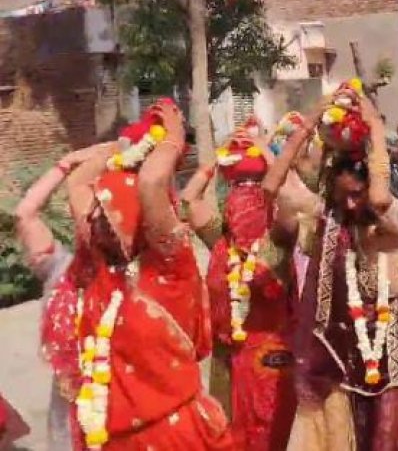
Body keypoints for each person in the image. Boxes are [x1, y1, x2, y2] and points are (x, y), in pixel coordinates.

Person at [65, 99, 234, 449]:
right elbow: (77, 181)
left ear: (134, 220)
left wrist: (172, 139)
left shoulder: (167, 270)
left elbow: (152, 182)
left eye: (107, 213)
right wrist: (126, 147)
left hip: (170, 437)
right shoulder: (104, 270)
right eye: (96, 210)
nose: (93, 219)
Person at [282, 94, 398, 451]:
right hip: (345, 348)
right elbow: (276, 188)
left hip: (396, 346)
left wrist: (375, 125)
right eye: (343, 196)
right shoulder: (332, 223)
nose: (350, 204)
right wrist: (309, 121)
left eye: (356, 195)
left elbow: (386, 203)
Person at [181, 126, 296, 451]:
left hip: (270, 363)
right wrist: (217, 161)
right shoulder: (221, 243)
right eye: (234, 206)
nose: (240, 215)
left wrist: (266, 152)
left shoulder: (278, 245)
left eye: (250, 208)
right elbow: (189, 199)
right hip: (227, 361)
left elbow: (290, 193)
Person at [15, 142, 115, 450]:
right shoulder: (60, 269)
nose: (93, 223)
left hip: (121, 412)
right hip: (68, 419)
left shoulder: (134, 280)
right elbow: (25, 213)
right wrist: (65, 164)